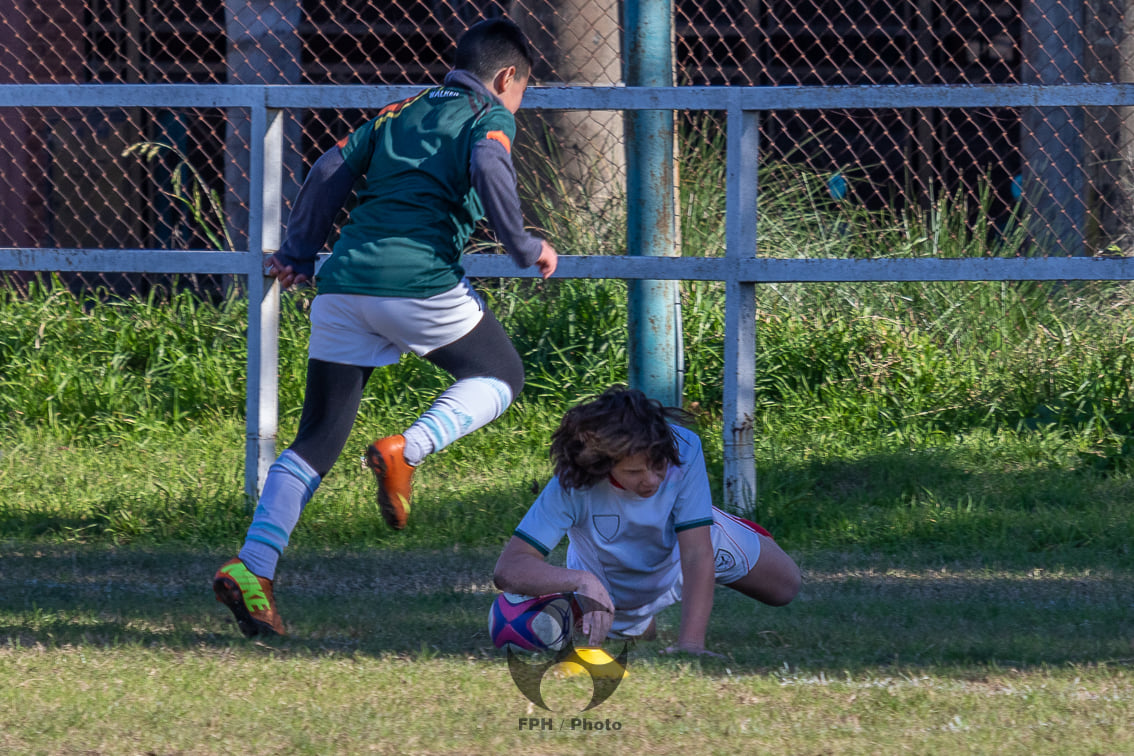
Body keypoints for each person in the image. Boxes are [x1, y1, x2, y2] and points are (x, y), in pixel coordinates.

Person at [213, 17, 558, 638]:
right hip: (417, 282)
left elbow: (326, 170)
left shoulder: (400, 108)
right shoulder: (489, 117)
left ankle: (254, 568)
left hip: (342, 284)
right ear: (507, 77)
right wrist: (522, 243)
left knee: (314, 441)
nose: (518, 106)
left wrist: (296, 253)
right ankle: (407, 450)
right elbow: (488, 163)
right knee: (501, 373)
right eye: (522, 92)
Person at [493, 387, 801, 655]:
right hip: (610, 573)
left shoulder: (685, 446)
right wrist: (581, 580)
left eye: (658, 466)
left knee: (785, 586)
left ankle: (707, 517)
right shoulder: (572, 483)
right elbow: (508, 568)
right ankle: (611, 604)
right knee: (642, 636)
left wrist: (691, 645)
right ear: (603, 464)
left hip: (689, 544)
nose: (651, 481)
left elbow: (696, 553)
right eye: (634, 472)